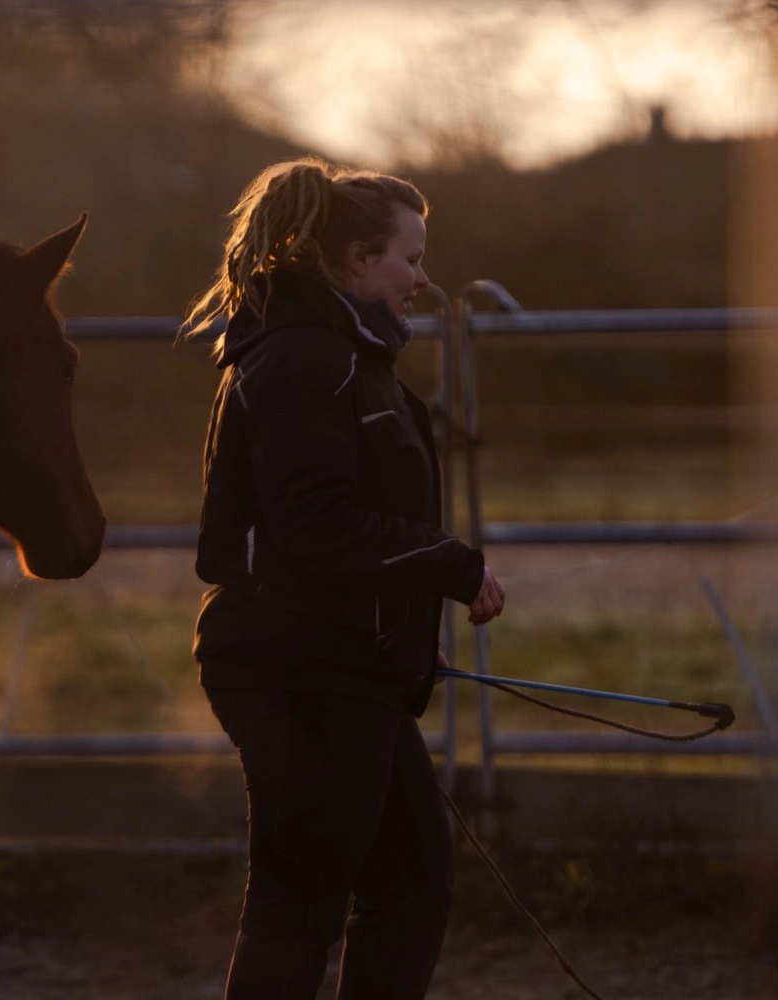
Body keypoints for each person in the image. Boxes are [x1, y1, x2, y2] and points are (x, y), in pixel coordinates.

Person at [185, 157, 506, 999]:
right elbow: (316, 526)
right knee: (301, 902)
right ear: (359, 260)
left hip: (346, 665)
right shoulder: (304, 360)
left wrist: (405, 634)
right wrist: (453, 567)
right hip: (301, 669)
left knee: (409, 884)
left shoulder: (344, 358)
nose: (423, 278)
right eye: (410, 257)